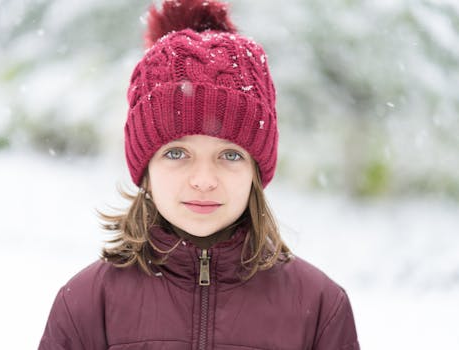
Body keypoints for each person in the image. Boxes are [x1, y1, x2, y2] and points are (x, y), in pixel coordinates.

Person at [39, 0, 360, 349]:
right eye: (177, 153)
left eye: (230, 155)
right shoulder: (86, 306)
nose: (204, 179)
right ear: (145, 167)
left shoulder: (319, 308)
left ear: (256, 169)